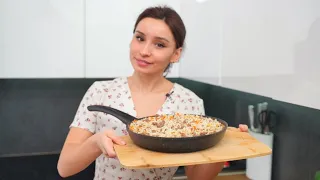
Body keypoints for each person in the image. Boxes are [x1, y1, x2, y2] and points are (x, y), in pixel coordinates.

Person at [57, 5, 248, 180]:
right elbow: (65, 168)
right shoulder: (101, 91)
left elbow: (196, 177)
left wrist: (225, 150)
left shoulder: (189, 102)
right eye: (140, 38)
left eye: (160, 44)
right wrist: (95, 142)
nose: (144, 51)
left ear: (176, 54)